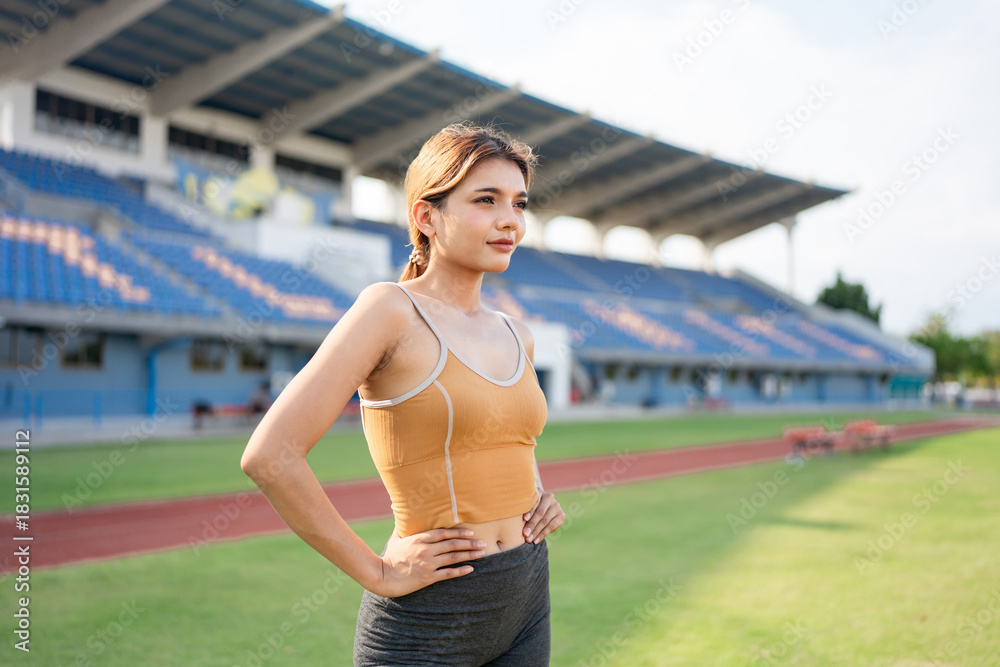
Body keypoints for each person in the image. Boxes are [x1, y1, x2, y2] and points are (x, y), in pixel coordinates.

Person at [240, 121, 565, 666]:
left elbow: (509, 437)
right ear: (426, 216)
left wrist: (535, 497)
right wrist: (378, 571)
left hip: (527, 592)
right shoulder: (388, 310)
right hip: (429, 615)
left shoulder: (518, 333)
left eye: (519, 203)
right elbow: (270, 456)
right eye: (486, 200)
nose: (510, 219)